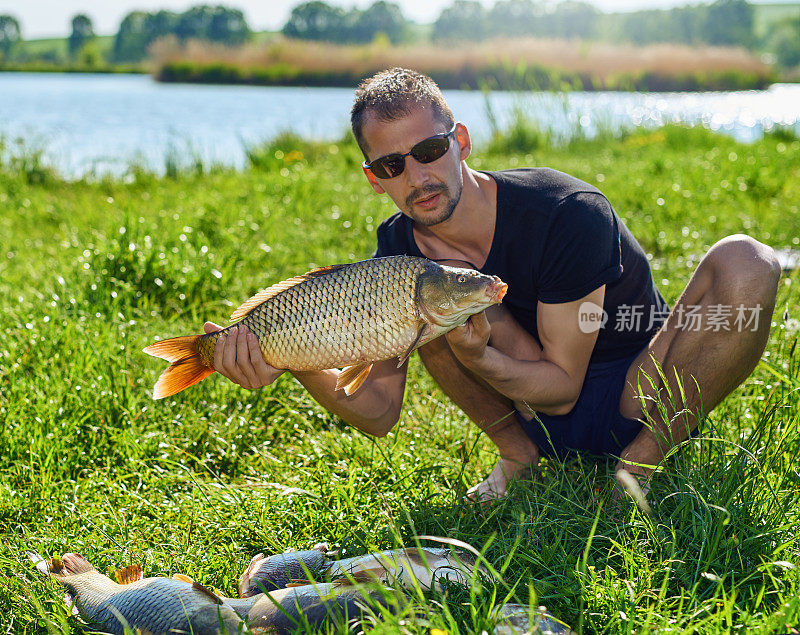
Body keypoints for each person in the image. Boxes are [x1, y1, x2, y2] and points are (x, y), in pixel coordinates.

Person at [204, 68, 781, 502]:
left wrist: (480, 356)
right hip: (530, 413)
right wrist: (295, 357)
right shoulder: (399, 254)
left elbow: (561, 386)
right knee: (426, 315)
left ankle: (642, 460)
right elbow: (377, 412)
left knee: (749, 261)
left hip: (641, 386)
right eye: (392, 166)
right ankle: (520, 458)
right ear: (374, 179)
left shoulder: (565, 210)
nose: (417, 177)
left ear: (460, 140)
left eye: (429, 151)